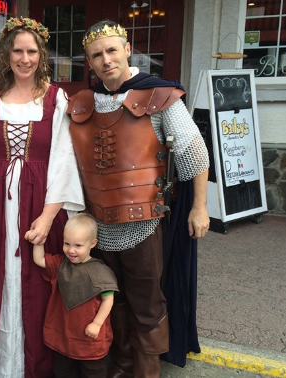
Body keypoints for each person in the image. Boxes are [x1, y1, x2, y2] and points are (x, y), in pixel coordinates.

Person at [66, 20, 210, 378]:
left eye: (112, 50)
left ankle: (146, 372)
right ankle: (122, 363)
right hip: (97, 225)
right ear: (89, 61)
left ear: (127, 49)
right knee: (111, 299)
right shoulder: (81, 104)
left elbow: (195, 155)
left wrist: (199, 207)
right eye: (97, 55)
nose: (106, 59)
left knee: (146, 302)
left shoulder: (158, 96)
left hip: (144, 223)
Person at [0, 16, 85, 378]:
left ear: (41, 54)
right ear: (7, 54)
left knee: (37, 282)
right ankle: (0, 366)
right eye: (17, 50)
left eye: (31, 51)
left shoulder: (56, 99)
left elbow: (63, 160)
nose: (24, 58)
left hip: (41, 202)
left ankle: (35, 367)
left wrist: (48, 219)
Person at [31, 213, 118, 378]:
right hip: (64, 335)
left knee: (94, 372)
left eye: (78, 245)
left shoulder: (100, 272)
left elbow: (108, 299)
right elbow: (39, 259)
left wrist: (97, 323)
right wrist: (39, 240)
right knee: (63, 370)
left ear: (92, 244)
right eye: (66, 243)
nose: (71, 250)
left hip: (89, 338)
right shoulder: (60, 264)